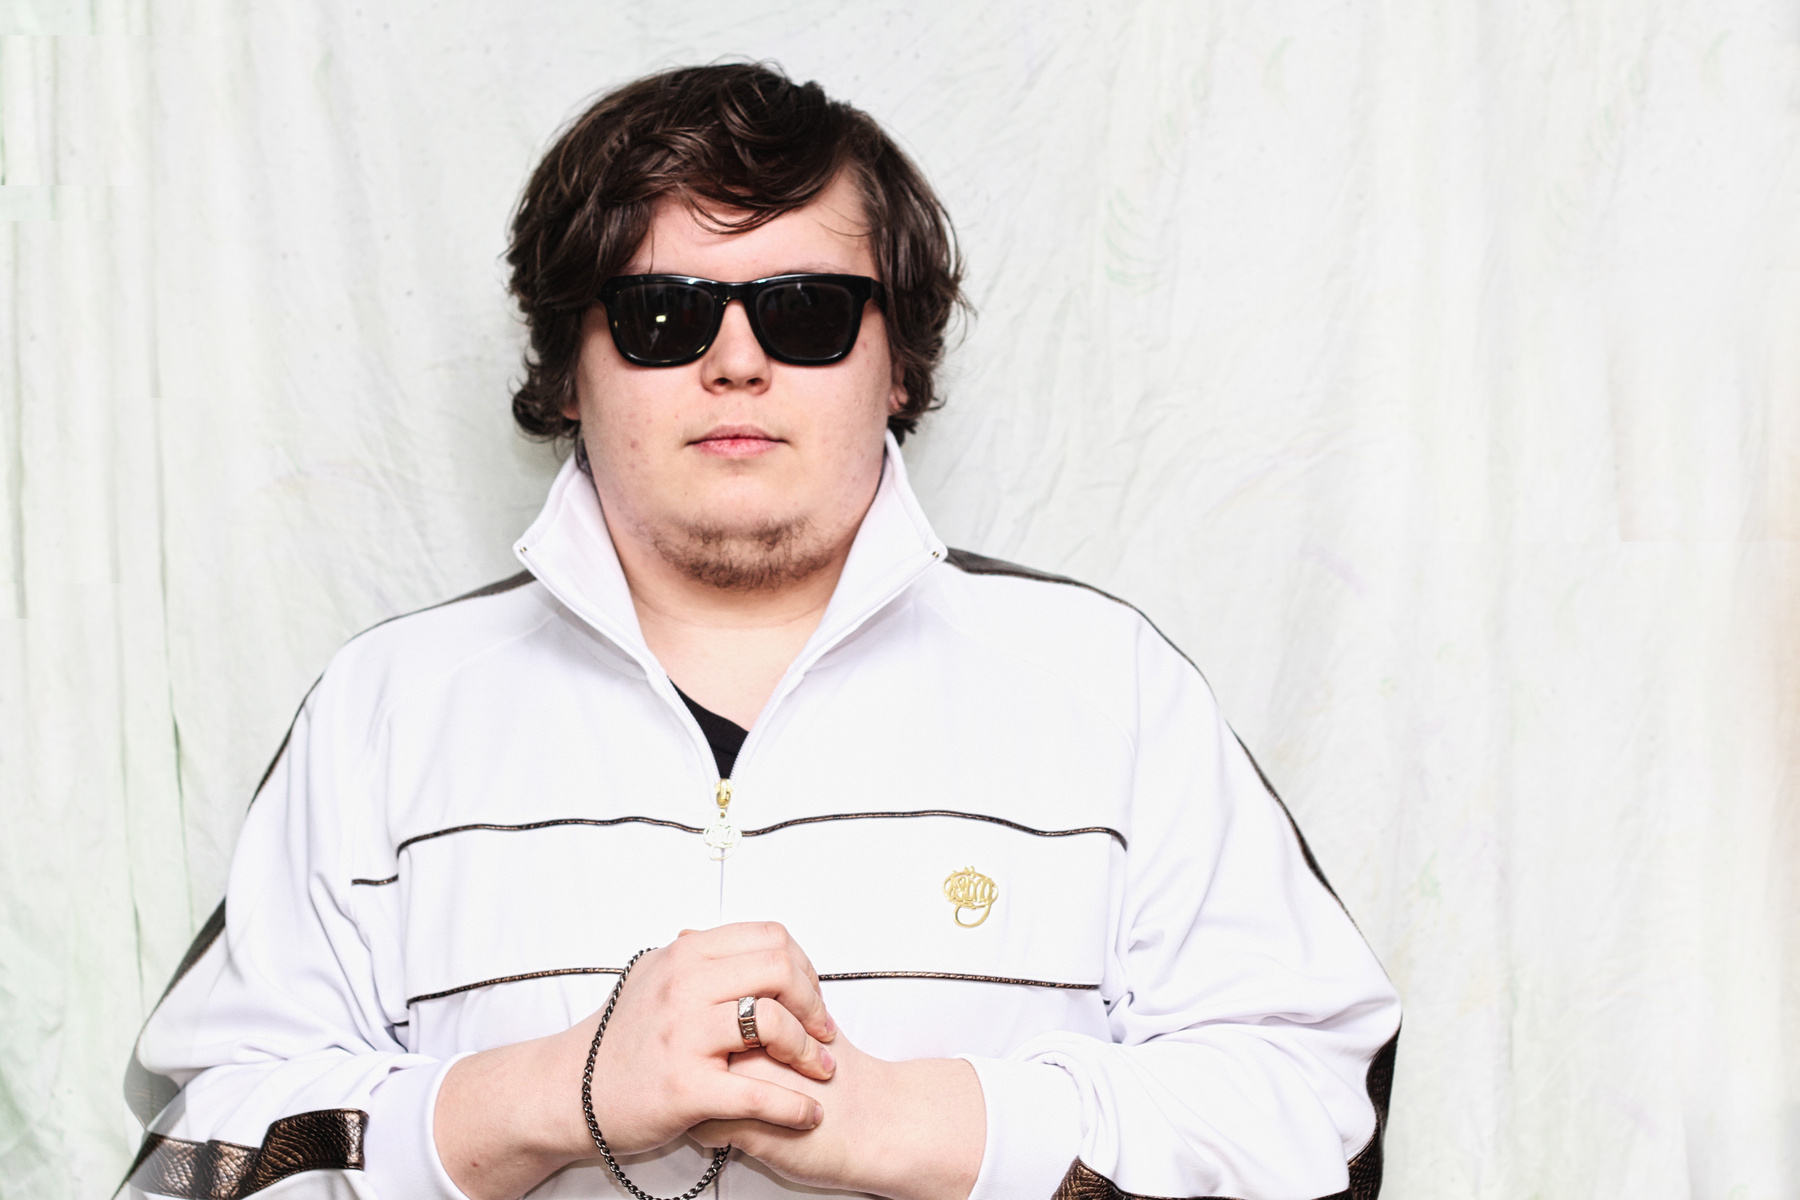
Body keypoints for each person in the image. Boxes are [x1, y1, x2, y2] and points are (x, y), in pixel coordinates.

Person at [122, 63, 1401, 1200]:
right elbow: (190, 1167)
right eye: (661, 315)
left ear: (899, 365)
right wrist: (549, 1097)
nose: (736, 362)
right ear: (568, 370)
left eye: (805, 312)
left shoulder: (1111, 692)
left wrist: (909, 1124)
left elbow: (1319, 1128)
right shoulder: (383, 712)